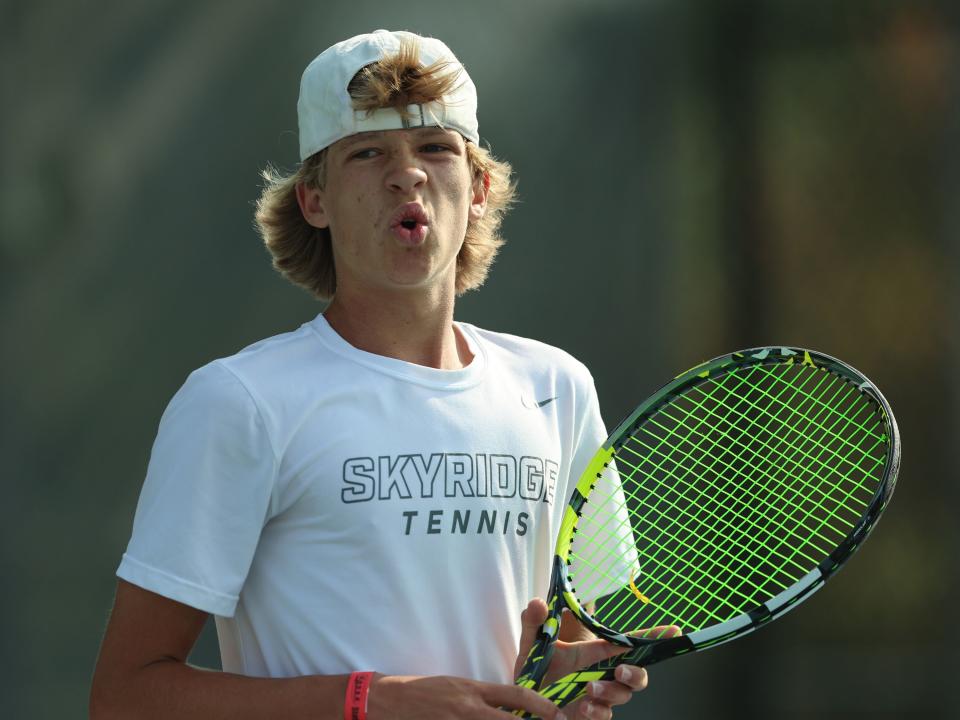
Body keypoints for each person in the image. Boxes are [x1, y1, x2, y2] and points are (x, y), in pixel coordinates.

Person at [90, 29, 666, 720]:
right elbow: (127, 696)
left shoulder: (559, 388)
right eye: (367, 153)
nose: (407, 174)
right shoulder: (239, 402)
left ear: (478, 187)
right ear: (314, 201)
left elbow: (572, 644)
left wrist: (569, 691)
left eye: (434, 147)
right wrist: (367, 702)